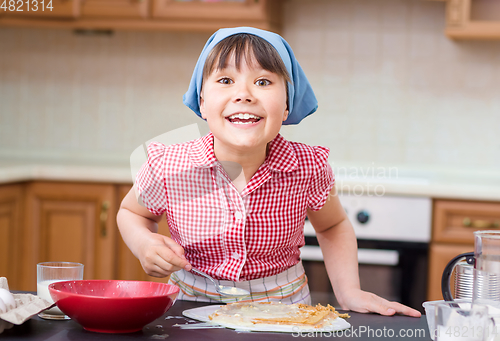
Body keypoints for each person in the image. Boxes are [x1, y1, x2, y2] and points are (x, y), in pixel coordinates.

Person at [117, 27, 421, 317]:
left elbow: (333, 226)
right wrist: (143, 243)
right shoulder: (169, 164)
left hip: (283, 313)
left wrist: (349, 291)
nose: (244, 94)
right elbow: (132, 213)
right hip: (188, 308)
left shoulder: (308, 167)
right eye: (225, 81)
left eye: (263, 82)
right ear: (202, 102)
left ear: (286, 105)